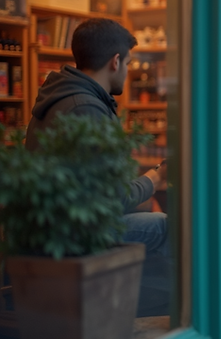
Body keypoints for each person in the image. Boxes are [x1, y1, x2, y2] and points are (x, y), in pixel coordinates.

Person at [26, 18, 169, 313]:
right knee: (167, 227)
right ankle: (156, 316)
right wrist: (155, 178)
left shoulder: (63, 97)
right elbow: (110, 200)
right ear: (115, 62)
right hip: (74, 237)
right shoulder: (85, 108)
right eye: (128, 63)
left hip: (57, 231)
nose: (128, 72)